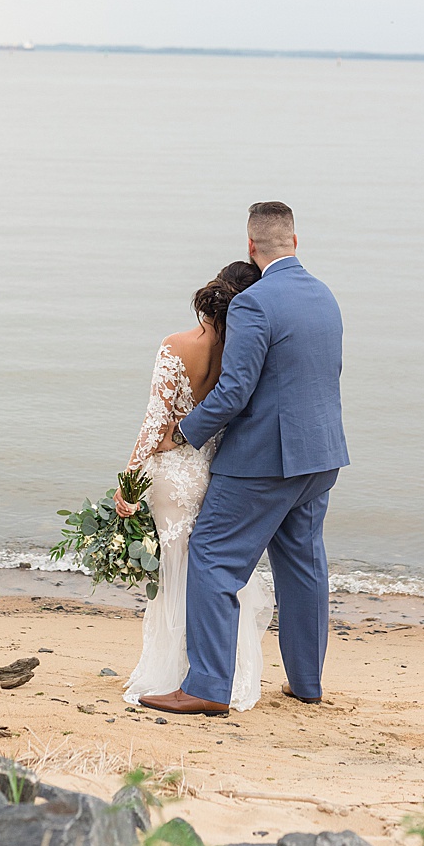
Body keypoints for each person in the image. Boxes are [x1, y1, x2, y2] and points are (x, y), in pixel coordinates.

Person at [139, 200, 349, 716]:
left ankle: (208, 688)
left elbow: (234, 392)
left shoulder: (254, 303)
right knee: (303, 566)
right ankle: (307, 682)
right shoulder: (325, 297)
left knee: (212, 554)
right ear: (295, 242)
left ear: (251, 248)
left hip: (264, 461)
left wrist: (182, 434)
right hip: (321, 457)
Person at [117, 260, 276, 711]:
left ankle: (173, 673)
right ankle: (224, 673)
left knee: (175, 575)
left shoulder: (175, 345)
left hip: (174, 475)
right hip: (217, 472)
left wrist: (128, 481)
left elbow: (155, 423)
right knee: (214, 572)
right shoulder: (244, 355)